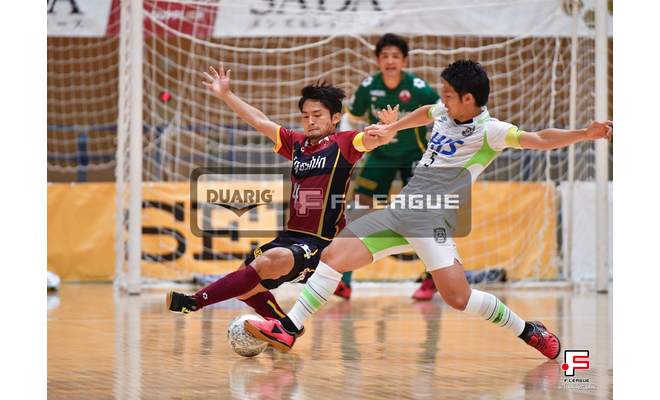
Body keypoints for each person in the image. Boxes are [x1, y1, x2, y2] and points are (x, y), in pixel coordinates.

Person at [244, 60, 613, 358]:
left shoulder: (492, 131)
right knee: (333, 255)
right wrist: (395, 127)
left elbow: (540, 139)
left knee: (458, 298)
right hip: (402, 209)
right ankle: (289, 328)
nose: (443, 99)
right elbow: (425, 112)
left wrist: (585, 133)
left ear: (469, 99)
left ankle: (529, 330)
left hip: (433, 218)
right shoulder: (445, 111)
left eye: (449, 94)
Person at [166, 63, 399, 327]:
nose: (310, 121)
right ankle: (285, 326)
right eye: (305, 116)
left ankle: (194, 302)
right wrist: (226, 94)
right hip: (290, 237)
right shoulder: (297, 144)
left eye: (317, 115)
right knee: (244, 286)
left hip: (321, 243)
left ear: (335, 118)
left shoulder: (344, 143)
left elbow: (374, 140)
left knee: (265, 263)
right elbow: (259, 121)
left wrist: (388, 129)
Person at [337, 33, 441, 300]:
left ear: (404, 60)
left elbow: (443, 112)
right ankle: (344, 280)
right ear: (377, 60)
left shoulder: (417, 87)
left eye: (396, 56)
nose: (390, 61)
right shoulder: (368, 86)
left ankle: (431, 279)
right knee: (356, 209)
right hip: (380, 156)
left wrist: (438, 148)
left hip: (414, 156)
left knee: (421, 214)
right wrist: (349, 147)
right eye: (385, 56)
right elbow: (350, 119)